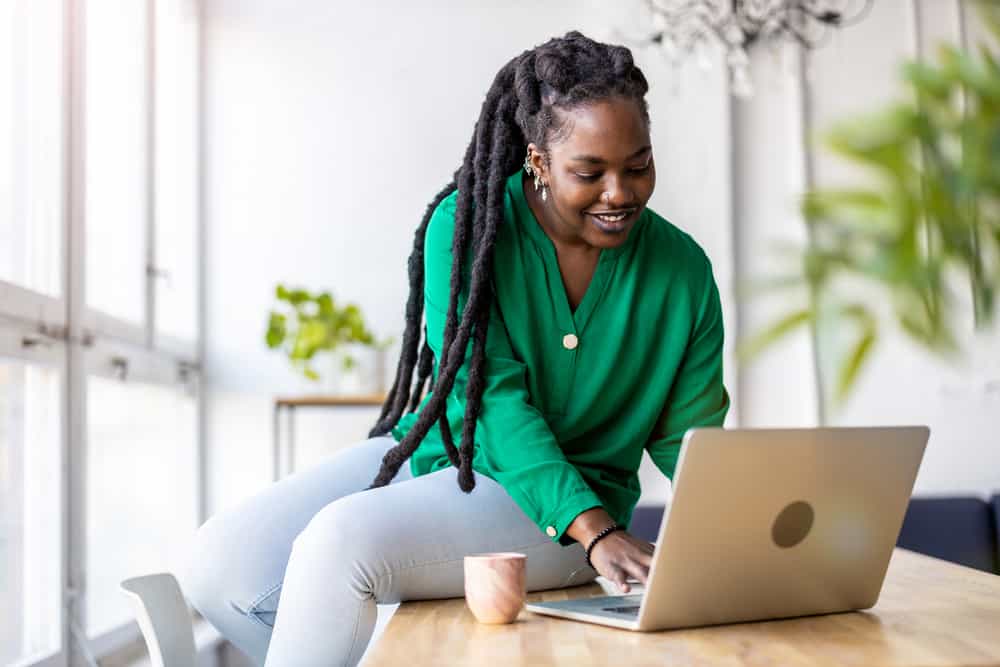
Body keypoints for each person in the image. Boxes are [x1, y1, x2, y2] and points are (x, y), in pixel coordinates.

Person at [181, 30, 729, 666]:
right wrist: (599, 533)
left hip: (566, 507)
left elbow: (689, 441)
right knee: (219, 564)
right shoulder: (465, 226)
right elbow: (491, 401)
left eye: (638, 166)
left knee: (337, 543)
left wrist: (708, 533)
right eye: (590, 172)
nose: (620, 192)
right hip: (451, 452)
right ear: (538, 160)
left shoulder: (683, 269)